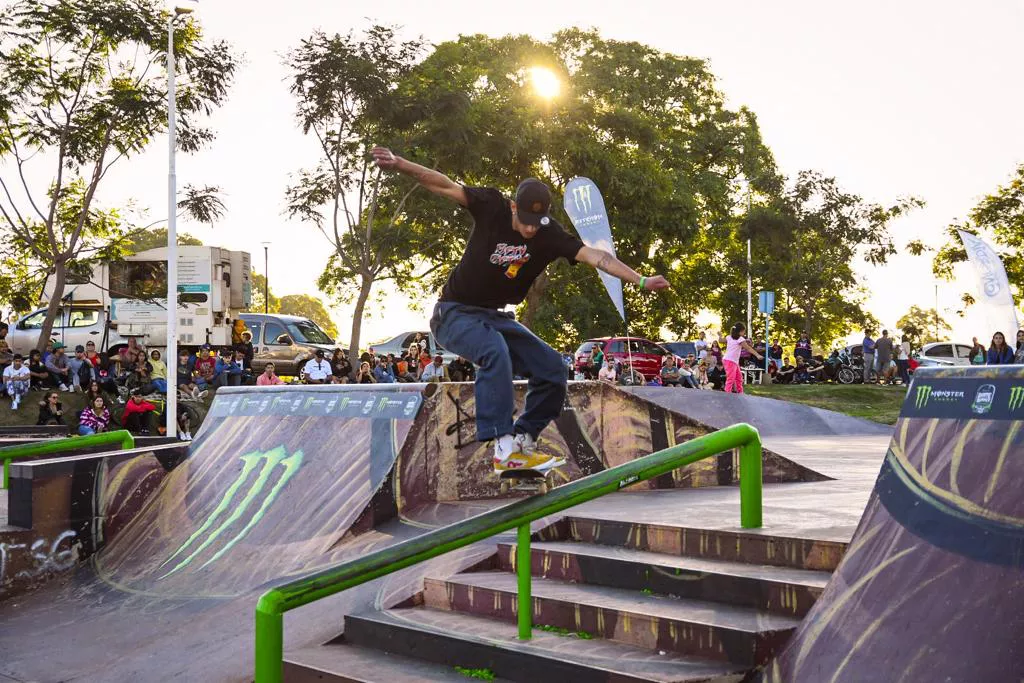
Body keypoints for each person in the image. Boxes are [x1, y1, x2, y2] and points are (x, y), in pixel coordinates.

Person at [373, 145, 669, 473]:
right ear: (513, 207)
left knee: (553, 368)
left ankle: (522, 441)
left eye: (537, 224)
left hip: (494, 318)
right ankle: (502, 448)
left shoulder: (549, 233)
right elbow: (442, 184)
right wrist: (400, 164)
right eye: (526, 222)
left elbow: (596, 256)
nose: (530, 230)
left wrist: (640, 280)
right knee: (494, 351)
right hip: (453, 314)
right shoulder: (491, 207)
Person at [720, 323, 763, 394]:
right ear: (739, 331)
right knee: (731, 378)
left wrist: (720, 335)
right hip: (729, 361)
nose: (744, 333)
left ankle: (740, 393)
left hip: (732, 361)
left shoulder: (729, 337)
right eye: (744, 331)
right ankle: (727, 394)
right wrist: (757, 355)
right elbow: (748, 348)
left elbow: (721, 340)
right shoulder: (740, 339)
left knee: (739, 378)